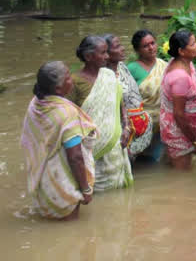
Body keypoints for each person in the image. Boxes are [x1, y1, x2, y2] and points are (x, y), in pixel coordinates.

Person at [21, 62, 97, 220]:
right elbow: (75, 157)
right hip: (61, 185)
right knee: (71, 231)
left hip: (42, 182)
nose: (72, 79)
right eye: (68, 77)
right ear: (58, 88)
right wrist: (86, 189)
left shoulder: (35, 104)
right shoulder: (66, 113)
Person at [71, 36, 133, 191]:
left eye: (107, 52)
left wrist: (126, 127)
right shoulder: (74, 82)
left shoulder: (109, 76)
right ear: (88, 57)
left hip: (115, 145)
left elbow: (120, 105)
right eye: (103, 53)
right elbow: (68, 120)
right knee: (93, 187)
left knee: (119, 192)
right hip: (89, 148)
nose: (107, 56)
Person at [160, 30, 196, 171]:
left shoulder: (186, 63)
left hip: (187, 130)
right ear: (181, 51)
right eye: (193, 44)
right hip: (180, 133)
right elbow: (179, 114)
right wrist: (195, 140)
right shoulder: (180, 76)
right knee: (182, 177)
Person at [104, 34, 152, 159]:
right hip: (120, 131)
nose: (123, 48)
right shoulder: (104, 76)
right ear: (106, 53)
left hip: (136, 126)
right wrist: (125, 125)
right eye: (117, 46)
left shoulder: (122, 67)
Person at [127, 29, 168, 161]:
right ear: (137, 50)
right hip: (139, 125)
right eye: (145, 46)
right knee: (136, 158)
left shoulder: (164, 65)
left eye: (153, 43)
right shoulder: (131, 69)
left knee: (155, 161)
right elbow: (125, 98)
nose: (151, 48)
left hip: (161, 125)